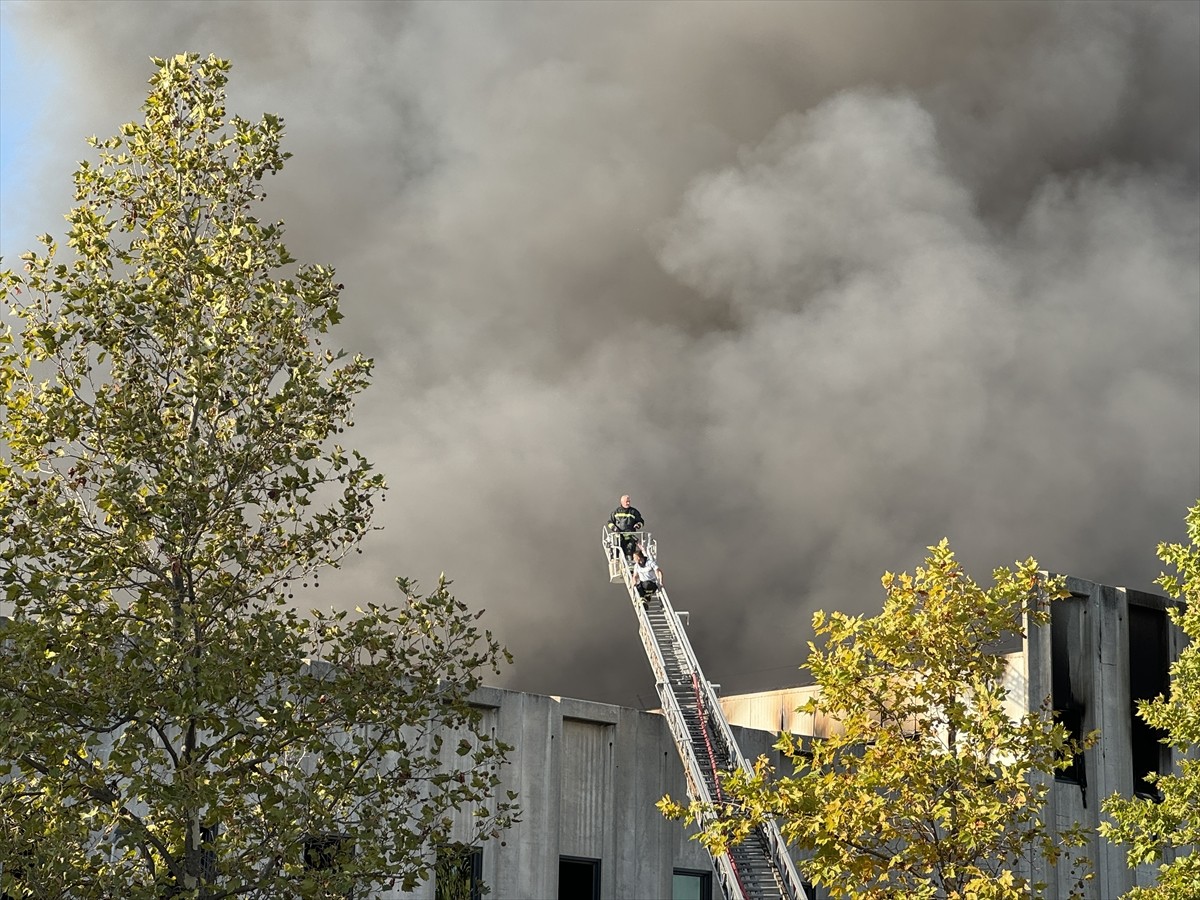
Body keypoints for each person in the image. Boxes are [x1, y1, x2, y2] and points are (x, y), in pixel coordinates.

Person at [606, 494, 645, 561]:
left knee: (630, 552)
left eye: (629, 501)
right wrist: (614, 528)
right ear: (621, 502)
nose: (628, 503)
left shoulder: (633, 512)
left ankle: (630, 566)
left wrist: (638, 525)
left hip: (630, 537)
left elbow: (641, 521)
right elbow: (609, 522)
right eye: (626, 501)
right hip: (619, 537)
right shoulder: (616, 512)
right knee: (617, 553)